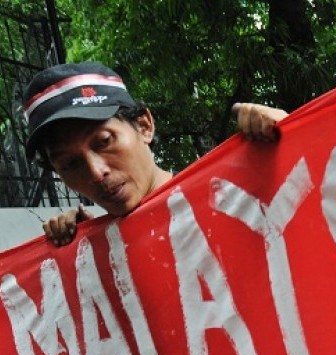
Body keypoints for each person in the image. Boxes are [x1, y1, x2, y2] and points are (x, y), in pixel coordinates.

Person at [22, 61, 287, 246]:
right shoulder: (92, 258)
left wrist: (289, 139)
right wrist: (81, 250)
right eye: (70, 164)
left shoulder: (232, 198)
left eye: (103, 142)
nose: (95, 172)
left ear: (144, 126)